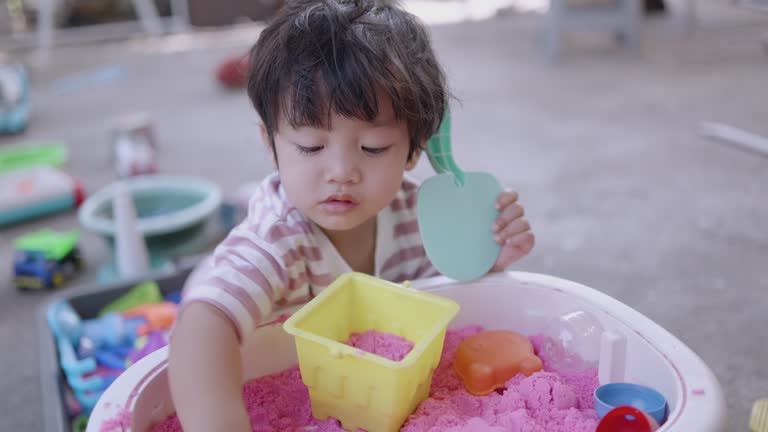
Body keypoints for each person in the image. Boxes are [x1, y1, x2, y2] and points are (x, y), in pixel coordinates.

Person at [168, 1, 535, 430]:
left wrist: (487, 257)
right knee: (204, 290)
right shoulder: (275, 241)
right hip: (264, 347)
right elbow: (202, 328)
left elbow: (443, 299)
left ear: (416, 149)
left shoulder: (416, 211)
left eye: (374, 148)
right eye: (310, 147)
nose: (341, 173)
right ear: (270, 144)